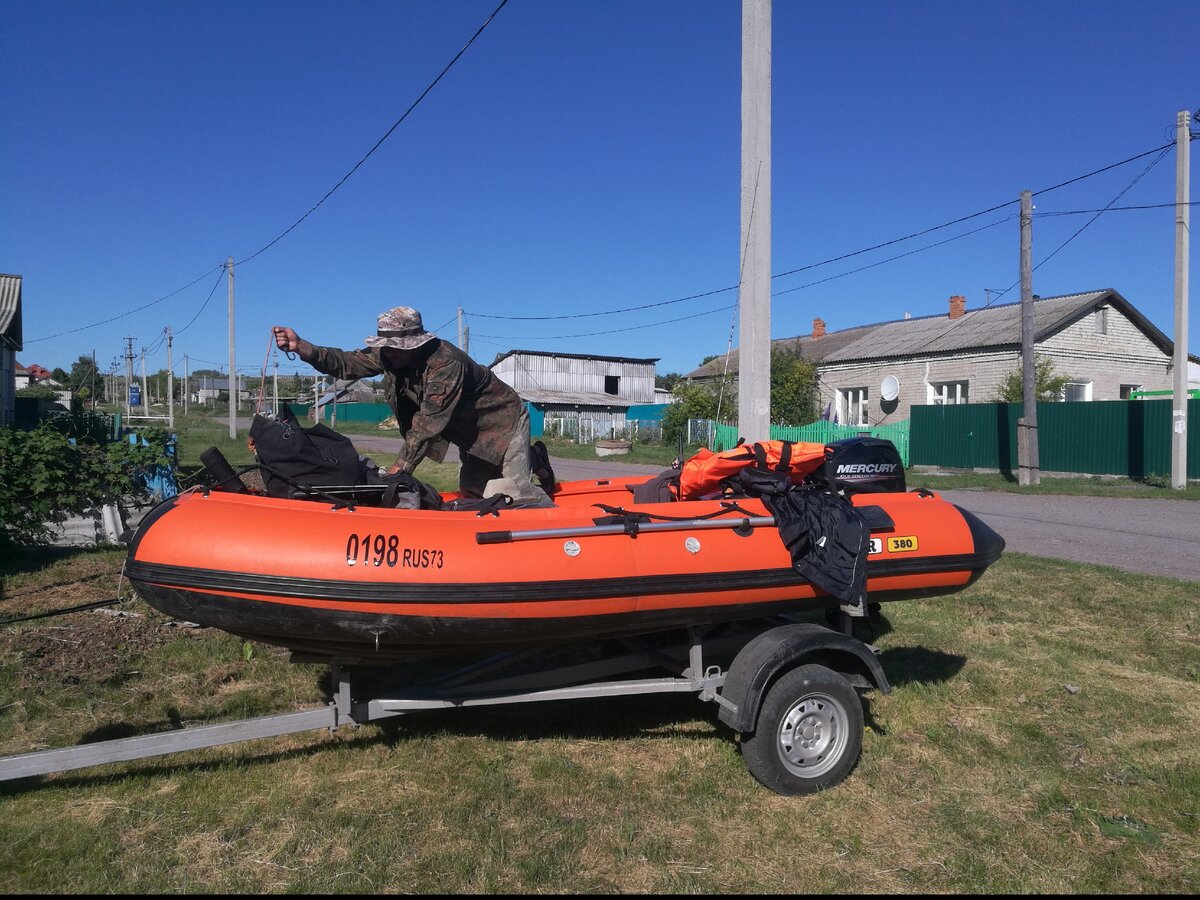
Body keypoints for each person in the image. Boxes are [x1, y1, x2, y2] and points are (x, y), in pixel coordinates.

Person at [272, 307, 551, 505]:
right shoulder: (389, 355)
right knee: (473, 491)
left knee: (514, 495)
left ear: (413, 344)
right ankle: (535, 457)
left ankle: (537, 482)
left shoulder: (445, 363)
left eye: (395, 346)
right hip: (470, 434)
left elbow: (428, 423)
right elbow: (348, 363)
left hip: (503, 421)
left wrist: (397, 471)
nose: (388, 352)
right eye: (386, 346)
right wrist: (302, 347)